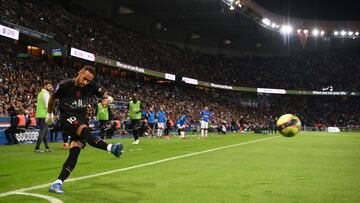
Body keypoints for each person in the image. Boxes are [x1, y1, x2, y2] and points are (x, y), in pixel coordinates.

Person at [46, 66, 123, 194]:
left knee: (75, 151)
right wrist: (49, 114)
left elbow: (105, 95)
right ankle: (110, 148)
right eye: (85, 78)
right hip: (68, 118)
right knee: (86, 131)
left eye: (88, 80)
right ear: (80, 72)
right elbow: (52, 98)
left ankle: (57, 183)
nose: (85, 82)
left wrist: (108, 99)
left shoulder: (91, 86)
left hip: (81, 118)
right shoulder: (65, 85)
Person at [34, 80, 53, 152]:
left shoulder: (40, 94)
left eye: (51, 86)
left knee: (45, 132)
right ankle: (37, 148)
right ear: (45, 86)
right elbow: (47, 105)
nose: (51, 87)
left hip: (40, 114)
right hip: (44, 115)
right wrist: (51, 115)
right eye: (49, 86)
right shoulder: (46, 94)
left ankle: (47, 147)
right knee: (43, 131)